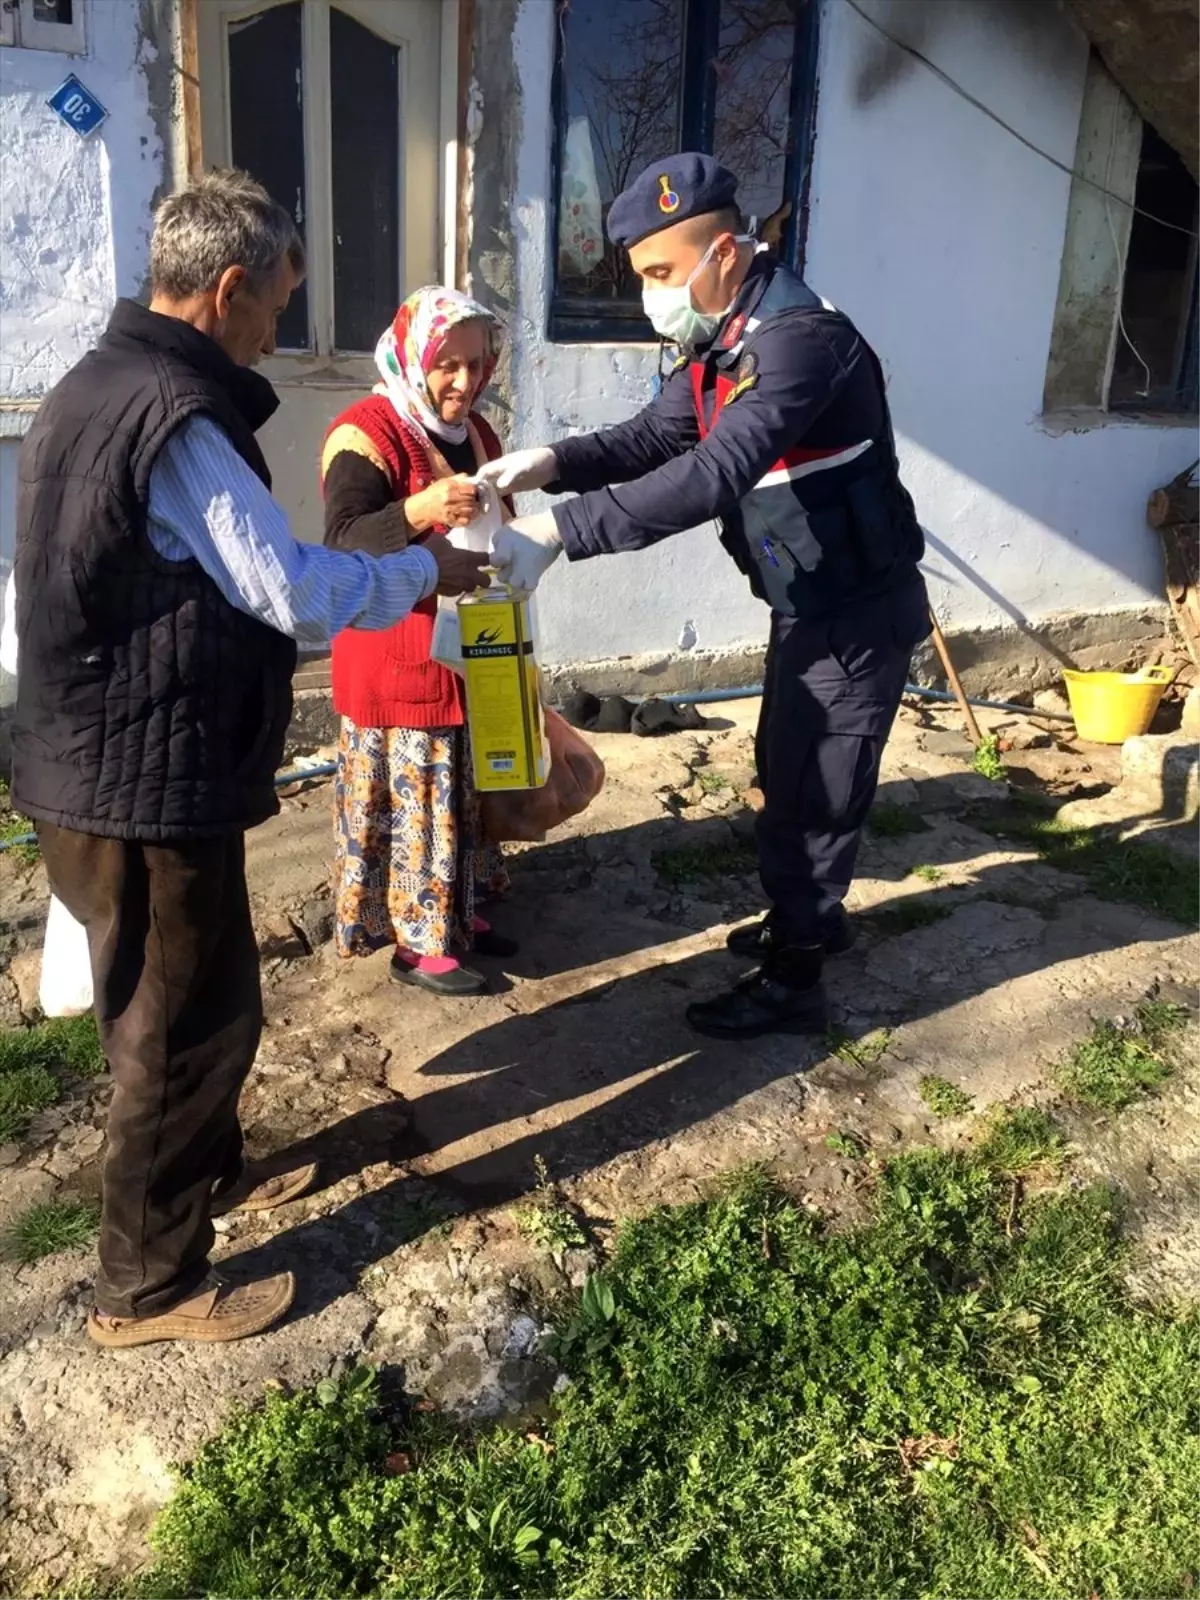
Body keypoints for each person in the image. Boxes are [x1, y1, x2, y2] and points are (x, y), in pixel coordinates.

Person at [9, 170, 489, 1349]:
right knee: (170, 1031)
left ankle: (209, 1174)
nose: (279, 329)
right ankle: (148, 1287)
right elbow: (283, 580)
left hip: (128, 756)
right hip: (140, 774)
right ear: (226, 289)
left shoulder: (95, 383)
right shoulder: (172, 410)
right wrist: (422, 575)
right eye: (276, 305)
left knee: (211, 996)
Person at [481, 153, 930, 1041]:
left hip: (852, 612)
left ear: (723, 252)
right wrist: (554, 463)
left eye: (658, 273)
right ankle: (812, 920)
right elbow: (657, 435)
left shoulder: (800, 345)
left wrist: (559, 533)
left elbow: (715, 473)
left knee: (813, 789)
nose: (651, 294)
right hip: (810, 602)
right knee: (794, 767)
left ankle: (796, 979)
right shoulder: (723, 339)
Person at [322, 287, 517, 996]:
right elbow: (341, 542)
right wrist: (419, 509)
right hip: (397, 659)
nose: (463, 383)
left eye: (476, 364)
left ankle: (459, 915)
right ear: (412, 357)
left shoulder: (481, 436)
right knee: (420, 801)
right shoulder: (365, 432)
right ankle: (418, 944)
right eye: (447, 365)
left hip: (470, 652)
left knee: (464, 793)